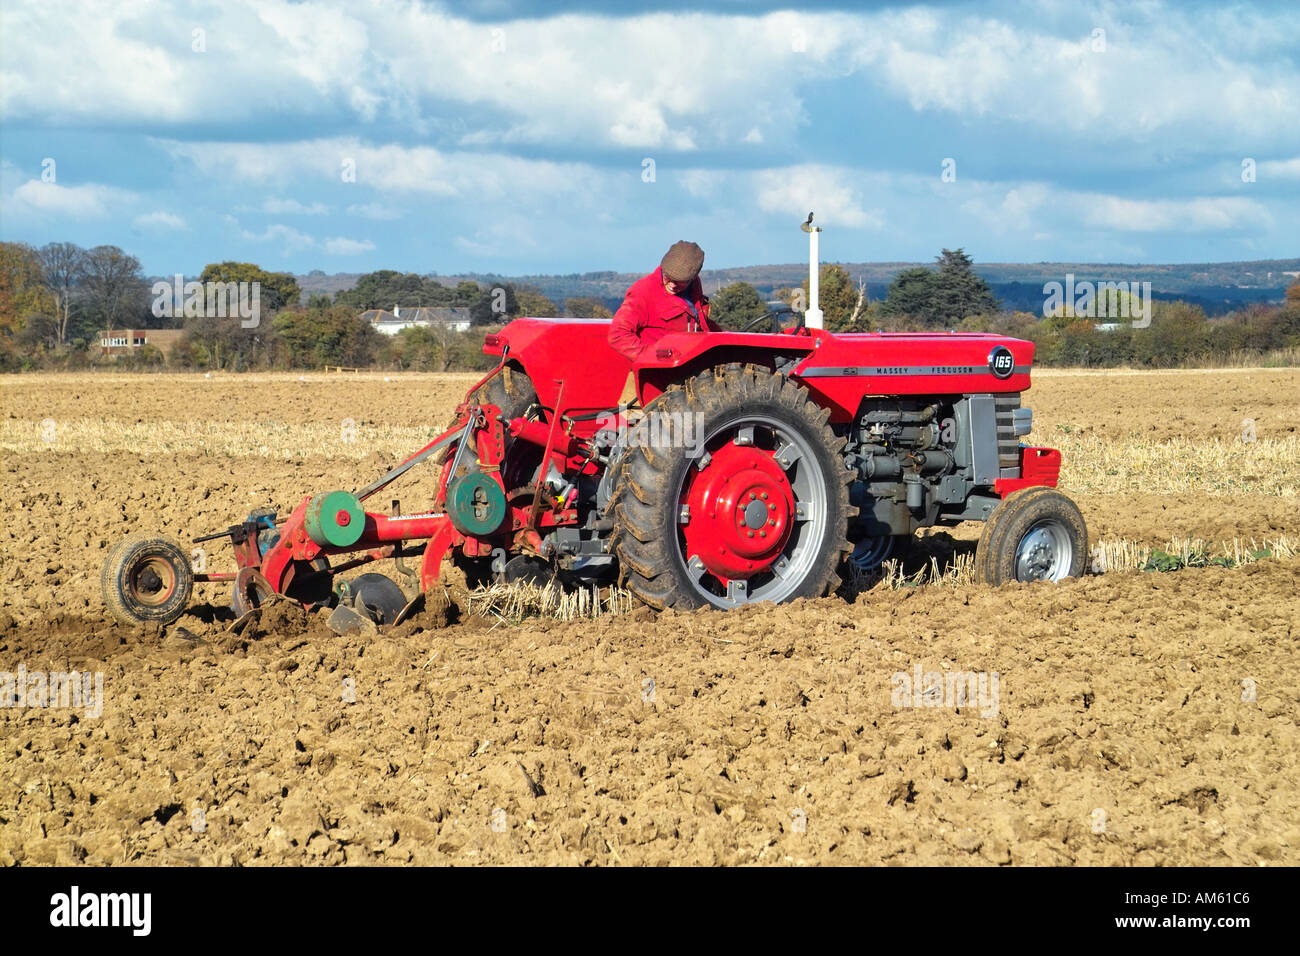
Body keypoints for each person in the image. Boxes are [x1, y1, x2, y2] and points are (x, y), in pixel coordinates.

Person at [607, 240, 716, 362]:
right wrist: (652, 358)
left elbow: (699, 319)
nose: (672, 285)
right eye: (668, 277)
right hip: (662, 374)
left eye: (680, 281)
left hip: (693, 367)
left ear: (693, 277)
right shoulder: (643, 292)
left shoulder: (695, 285)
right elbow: (618, 335)